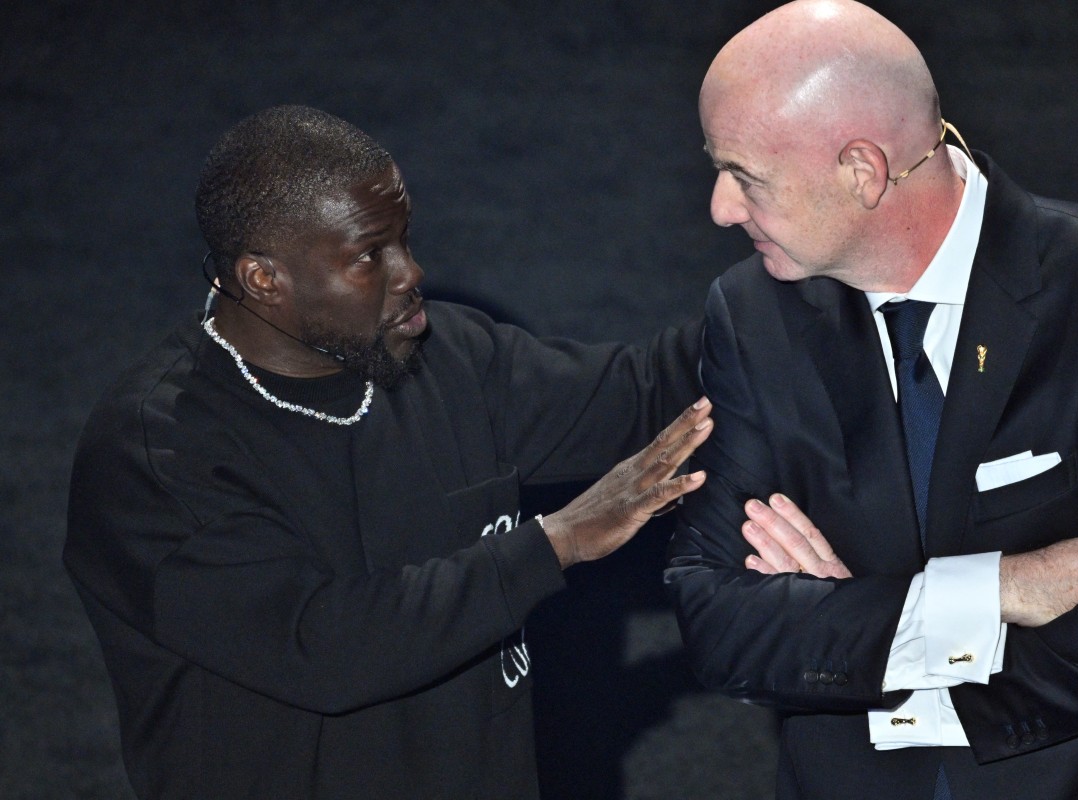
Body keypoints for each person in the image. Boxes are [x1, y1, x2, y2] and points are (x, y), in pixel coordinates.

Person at [63, 105, 712, 799]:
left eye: (404, 240)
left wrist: (812, 276)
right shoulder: (156, 455)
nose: (411, 272)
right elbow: (324, 647)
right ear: (263, 279)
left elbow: (645, 393)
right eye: (370, 255)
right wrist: (553, 544)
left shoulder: (447, 357)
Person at [665, 1, 1078, 798]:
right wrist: (999, 591)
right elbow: (719, 624)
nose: (720, 208)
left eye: (746, 177)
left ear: (862, 171)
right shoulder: (751, 315)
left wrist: (883, 657)